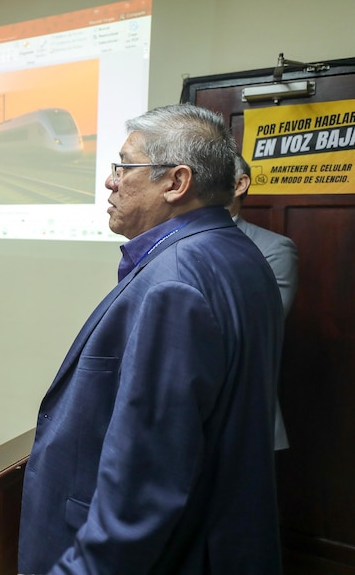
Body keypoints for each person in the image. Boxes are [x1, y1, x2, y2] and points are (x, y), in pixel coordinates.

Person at [18, 104, 284, 575]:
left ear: (176, 183)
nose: (110, 181)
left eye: (123, 166)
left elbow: (145, 481)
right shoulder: (238, 252)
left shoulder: (174, 283)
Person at [230, 154, 298, 451]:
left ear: (239, 184)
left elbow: (256, 327)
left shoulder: (273, 248)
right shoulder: (170, 240)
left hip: (242, 418)